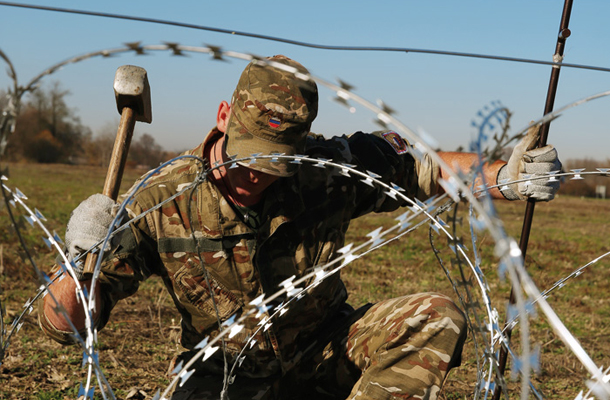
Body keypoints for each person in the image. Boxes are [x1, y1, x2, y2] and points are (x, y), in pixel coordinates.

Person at [38, 55, 561, 400]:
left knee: (434, 318)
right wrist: (77, 264)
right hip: (225, 373)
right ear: (223, 117)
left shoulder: (324, 170)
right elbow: (65, 325)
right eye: (246, 161)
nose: (253, 180)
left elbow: (422, 168)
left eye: (273, 168)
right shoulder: (160, 200)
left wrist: (504, 177)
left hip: (322, 354)